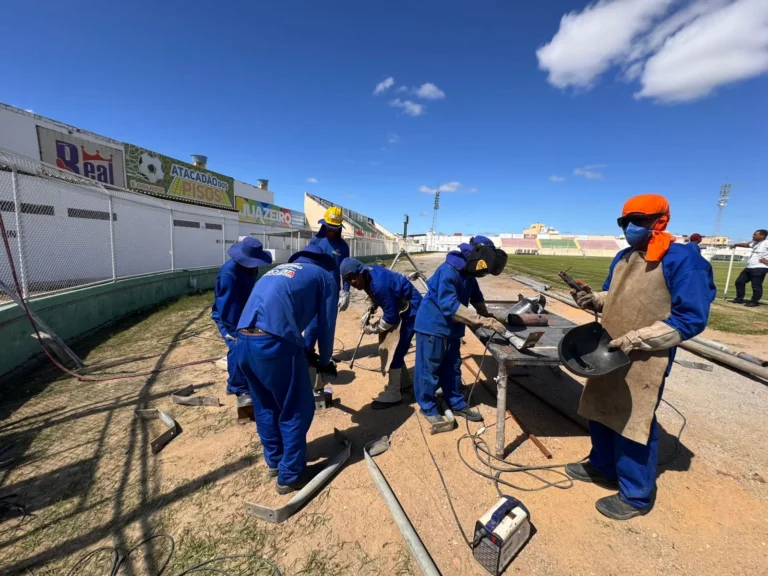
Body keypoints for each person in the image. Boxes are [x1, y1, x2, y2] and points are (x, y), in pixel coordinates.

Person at [566, 194, 716, 521]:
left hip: (646, 355)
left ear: (660, 221)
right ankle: (603, 466)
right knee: (600, 408)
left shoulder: (682, 259)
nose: (629, 227)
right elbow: (614, 295)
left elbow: (690, 318)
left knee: (634, 420)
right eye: (625, 221)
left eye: (638, 220)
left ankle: (635, 495)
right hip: (608, 347)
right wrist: (593, 299)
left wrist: (637, 339)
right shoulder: (624, 256)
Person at [235, 245, 339, 494]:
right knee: (296, 408)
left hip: (244, 341)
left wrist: (305, 350)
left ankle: (275, 461)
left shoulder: (277, 271)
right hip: (274, 343)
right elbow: (325, 324)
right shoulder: (323, 277)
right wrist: (325, 360)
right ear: (324, 263)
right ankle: (291, 475)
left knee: (266, 405)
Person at [413, 241, 508, 425]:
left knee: (452, 366)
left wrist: (486, 314)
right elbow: (449, 305)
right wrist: (484, 321)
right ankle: (428, 407)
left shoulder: (468, 272)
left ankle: (456, 403)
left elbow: (476, 296)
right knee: (428, 369)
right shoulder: (449, 271)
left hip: (452, 328)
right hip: (433, 326)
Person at [340, 257, 422, 409]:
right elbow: (380, 296)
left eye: (354, 277)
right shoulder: (368, 274)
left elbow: (391, 317)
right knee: (395, 349)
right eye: (348, 279)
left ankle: (394, 393)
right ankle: (403, 383)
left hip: (411, 309)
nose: (352, 282)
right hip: (400, 304)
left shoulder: (379, 285)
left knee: (394, 349)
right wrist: (371, 306)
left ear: (361, 273)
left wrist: (372, 328)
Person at [211, 237, 272, 397]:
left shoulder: (251, 268)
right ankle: (236, 387)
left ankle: (252, 376)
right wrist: (235, 332)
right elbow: (226, 306)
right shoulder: (229, 274)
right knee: (237, 346)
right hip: (227, 316)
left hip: (244, 312)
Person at [304, 206, 351, 352]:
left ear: (339, 228)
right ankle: (307, 354)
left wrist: (346, 291)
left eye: (334, 228)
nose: (331, 230)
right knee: (312, 324)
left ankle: (325, 357)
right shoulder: (316, 241)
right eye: (328, 226)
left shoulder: (343, 247)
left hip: (332, 291)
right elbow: (306, 262)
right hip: (314, 288)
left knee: (328, 325)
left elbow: (346, 270)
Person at [729, 229, 768, 307]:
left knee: (756, 285)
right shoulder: (755, 243)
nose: (753, 236)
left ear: (762, 236)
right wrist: (736, 244)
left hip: (760, 268)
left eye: (755, 235)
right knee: (739, 282)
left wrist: (767, 261)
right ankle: (739, 299)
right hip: (749, 267)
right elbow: (746, 245)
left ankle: (754, 301)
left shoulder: (766, 243)